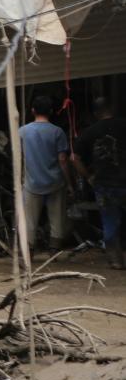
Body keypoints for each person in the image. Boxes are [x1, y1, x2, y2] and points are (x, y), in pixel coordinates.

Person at [74, 97, 126, 269]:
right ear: (111, 108)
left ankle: (116, 261)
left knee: (110, 221)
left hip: (104, 184)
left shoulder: (89, 132)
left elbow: (74, 158)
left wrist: (88, 176)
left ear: (95, 113)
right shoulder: (123, 125)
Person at [20, 95, 73, 251]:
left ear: (32, 111)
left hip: (31, 183)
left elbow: (18, 157)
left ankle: (29, 252)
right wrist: (69, 183)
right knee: (57, 219)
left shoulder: (22, 131)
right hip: (55, 182)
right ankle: (54, 252)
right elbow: (63, 160)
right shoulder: (58, 132)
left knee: (29, 221)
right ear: (51, 111)